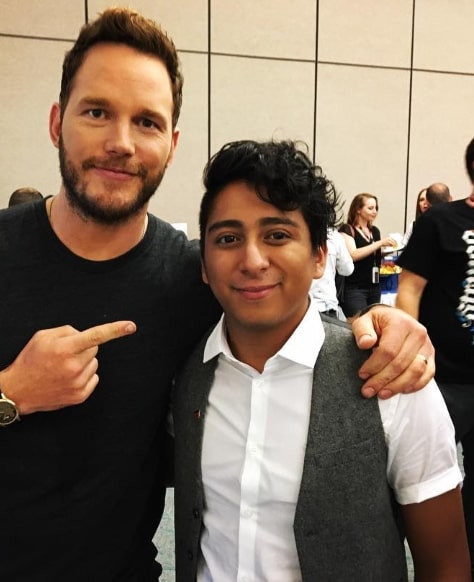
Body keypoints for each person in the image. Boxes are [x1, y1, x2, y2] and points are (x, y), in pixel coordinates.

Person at [0, 8, 435, 582]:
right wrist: (8, 392)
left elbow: (286, 312)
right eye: (96, 112)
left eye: (145, 121)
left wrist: (388, 322)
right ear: (55, 123)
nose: (121, 141)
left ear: (170, 143)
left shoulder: (195, 277)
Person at [172, 140, 469, 581]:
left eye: (277, 235)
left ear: (319, 257)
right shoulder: (186, 374)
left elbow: (445, 565)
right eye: (228, 238)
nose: (252, 261)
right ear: (204, 263)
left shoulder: (391, 377)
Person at [396, 138, 474, 570]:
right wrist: (414, 354)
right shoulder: (441, 221)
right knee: (426, 481)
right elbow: (409, 288)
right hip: (442, 378)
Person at [339, 193, 397, 320]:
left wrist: (389, 250)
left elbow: (372, 253)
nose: (374, 212)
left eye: (376, 208)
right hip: (355, 289)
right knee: (358, 324)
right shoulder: (347, 229)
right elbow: (353, 254)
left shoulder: (374, 231)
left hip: (374, 286)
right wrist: (380, 243)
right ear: (358, 209)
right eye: (370, 208)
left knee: (374, 323)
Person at [310, 227, 353, 319]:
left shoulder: (294, 231)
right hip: (325, 305)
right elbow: (347, 269)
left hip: (296, 309)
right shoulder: (334, 236)